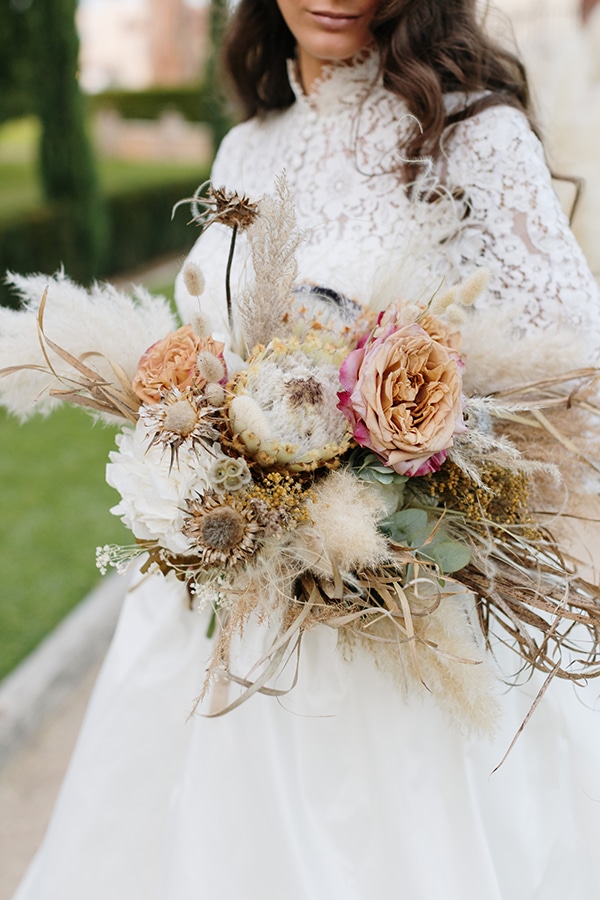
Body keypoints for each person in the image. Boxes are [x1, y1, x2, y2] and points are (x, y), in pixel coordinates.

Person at [12, 0, 600, 898]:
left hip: (395, 622)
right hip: (221, 613)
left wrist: (411, 460)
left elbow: (573, 381)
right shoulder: (247, 144)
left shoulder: (471, 131)